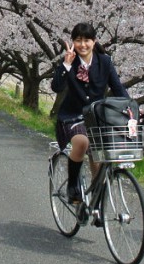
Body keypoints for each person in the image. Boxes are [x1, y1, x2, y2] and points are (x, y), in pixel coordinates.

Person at [51, 22, 129, 204]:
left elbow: (118, 89)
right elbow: (56, 86)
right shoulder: (70, 62)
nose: (82, 45)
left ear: (94, 42)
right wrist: (66, 65)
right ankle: (72, 186)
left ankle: (97, 196)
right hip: (71, 116)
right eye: (78, 40)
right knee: (82, 141)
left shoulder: (105, 62)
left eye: (87, 40)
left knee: (98, 151)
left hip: (96, 116)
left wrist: (130, 110)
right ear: (72, 42)